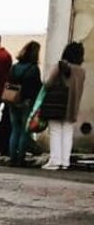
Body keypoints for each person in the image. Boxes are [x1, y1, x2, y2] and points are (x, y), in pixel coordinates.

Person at [42, 41, 86, 171]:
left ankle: (55, 160)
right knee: (67, 132)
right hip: (73, 106)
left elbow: (48, 84)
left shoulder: (60, 66)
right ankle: (65, 161)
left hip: (58, 104)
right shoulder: (82, 71)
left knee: (55, 132)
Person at [6, 41, 42, 167]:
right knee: (25, 132)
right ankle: (20, 159)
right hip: (27, 103)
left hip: (13, 101)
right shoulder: (34, 69)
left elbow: (9, 83)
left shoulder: (15, 67)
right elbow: (37, 87)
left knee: (15, 130)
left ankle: (12, 158)